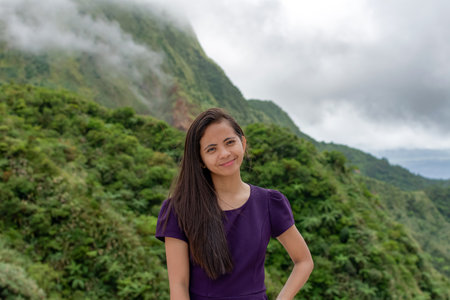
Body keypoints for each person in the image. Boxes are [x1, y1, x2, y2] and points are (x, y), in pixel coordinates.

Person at [155, 108, 314, 300]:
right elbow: (179, 286)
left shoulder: (270, 202)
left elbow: (304, 261)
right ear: (201, 160)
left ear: (243, 142)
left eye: (229, 142)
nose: (224, 153)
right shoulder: (178, 210)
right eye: (211, 149)